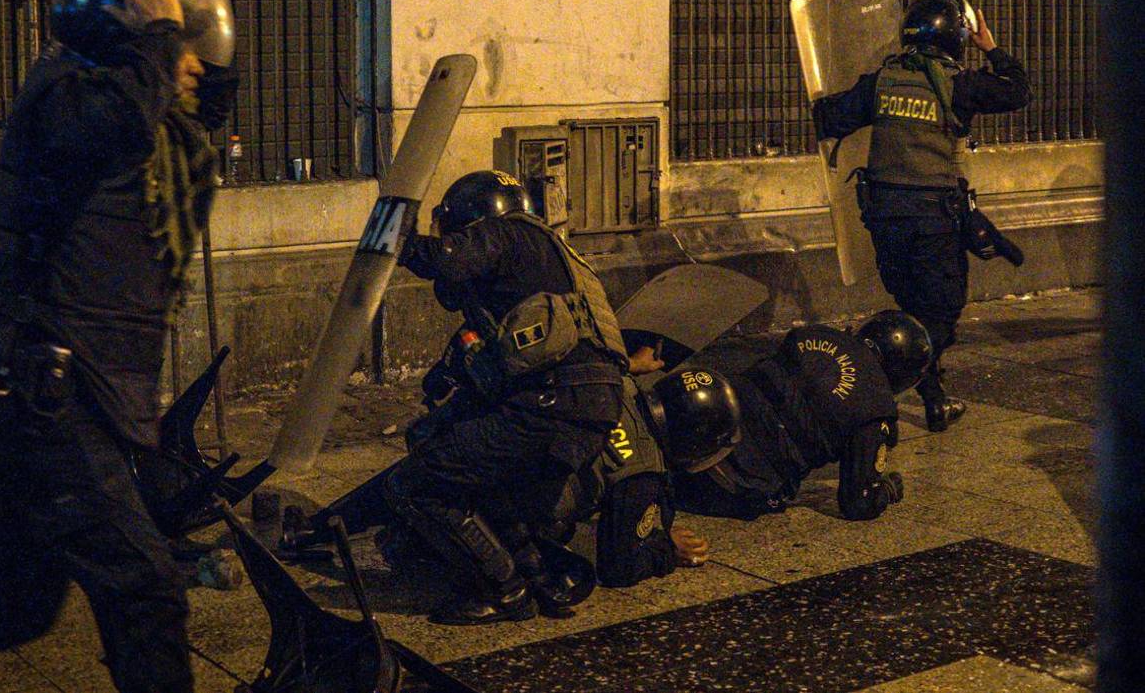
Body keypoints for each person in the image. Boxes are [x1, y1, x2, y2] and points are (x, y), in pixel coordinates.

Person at [0, 0, 238, 693]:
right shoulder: (68, 98)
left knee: (14, 607)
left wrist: (170, 48)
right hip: (46, 399)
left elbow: (191, 136)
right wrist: (154, 37)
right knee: (145, 588)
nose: (187, 60)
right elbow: (114, 129)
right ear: (123, 36)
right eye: (172, 42)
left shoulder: (134, 115)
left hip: (67, 398)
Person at [379, 170, 630, 625]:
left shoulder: (507, 233)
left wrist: (390, 225)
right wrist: (447, 373)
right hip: (587, 402)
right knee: (483, 476)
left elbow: (445, 260)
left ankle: (503, 590)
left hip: (549, 403)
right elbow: (498, 338)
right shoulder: (546, 253)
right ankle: (539, 575)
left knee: (419, 482)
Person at [812, 0, 1031, 431]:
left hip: (884, 217)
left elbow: (828, 117)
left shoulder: (882, 81)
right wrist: (991, 47)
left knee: (911, 307)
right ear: (956, 37)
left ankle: (933, 398)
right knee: (943, 313)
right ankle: (873, 378)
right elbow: (1018, 90)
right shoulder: (958, 84)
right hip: (932, 219)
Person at [672, 311, 931, 522]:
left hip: (691, 427)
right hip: (731, 482)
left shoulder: (813, 334)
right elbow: (858, 503)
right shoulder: (875, 408)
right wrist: (886, 490)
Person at [546, 358, 740, 589]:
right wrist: (665, 548)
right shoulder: (642, 475)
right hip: (515, 513)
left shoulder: (621, 383)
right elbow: (619, 569)